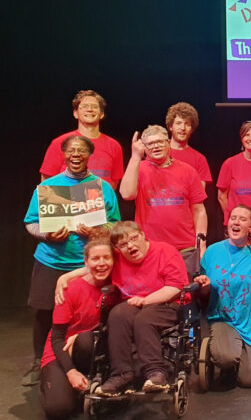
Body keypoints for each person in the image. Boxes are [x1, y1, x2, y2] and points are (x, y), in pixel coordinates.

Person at [23, 135, 121, 387]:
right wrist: (47, 234)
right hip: (51, 260)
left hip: (87, 263)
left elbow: (115, 223)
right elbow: (31, 223)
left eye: (81, 151)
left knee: (95, 315)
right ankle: (39, 362)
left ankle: (89, 360)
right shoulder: (49, 188)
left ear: (90, 156)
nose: (76, 155)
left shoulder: (102, 188)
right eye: (71, 151)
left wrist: (98, 230)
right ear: (64, 155)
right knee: (44, 313)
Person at [56, 221, 190, 395]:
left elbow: (175, 286)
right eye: (123, 244)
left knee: (144, 319)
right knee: (117, 315)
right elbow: (94, 266)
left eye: (134, 239)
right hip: (134, 303)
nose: (131, 246)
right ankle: (122, 373)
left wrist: (146, 300)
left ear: (143, 235)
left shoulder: (165, 251)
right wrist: (65, 277)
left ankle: (156, 372)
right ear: (118, 249)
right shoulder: (120, 258)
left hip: (167, 302)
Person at [194, 205, 251, 387]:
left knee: (250, 380)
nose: (236, 222)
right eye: (233, 217)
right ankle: (226, 351)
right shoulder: (213, 252)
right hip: (223, 318)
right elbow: (203, 293)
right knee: (225, 358)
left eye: (243, 219)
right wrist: (204, 285)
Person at [40, 237, 116, 419]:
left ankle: (87, 379)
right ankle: (56, 382)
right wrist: (71, 372)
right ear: (86, 262)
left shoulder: (117, 286)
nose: (101, 263)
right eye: (95, 259)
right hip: (61, 351)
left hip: (89, 346)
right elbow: (57, 339)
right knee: (59, 409)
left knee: (86, 339)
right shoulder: (70, 289)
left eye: (107, 258)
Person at [119, 125, 207, 271]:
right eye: (151, 143)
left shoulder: (188, 171)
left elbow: (199, 210)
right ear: (144, 148)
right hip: (149, 248)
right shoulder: (138, 168)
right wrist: (135, 157)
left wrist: (201, 244)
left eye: (160, 142)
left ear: (168, 143)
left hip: (185, 248)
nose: (156, 146)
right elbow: (127, 194)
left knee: (186, 292)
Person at [40, 90, 124, 189]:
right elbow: (46, 181)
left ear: (101, 114)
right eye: (84, 106)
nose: (89, 109)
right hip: (67, 202)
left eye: (94, 106)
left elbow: (113, 183)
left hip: (99, 203)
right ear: (75, 114)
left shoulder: (114, 146)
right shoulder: (60, 143)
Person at [166, 102, 213, 189]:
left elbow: (199, 196)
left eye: (187, 124)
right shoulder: (157, 152)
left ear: (192, 129)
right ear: (170, 126)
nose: (183, 128)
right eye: (178, 123)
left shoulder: (199, 159)